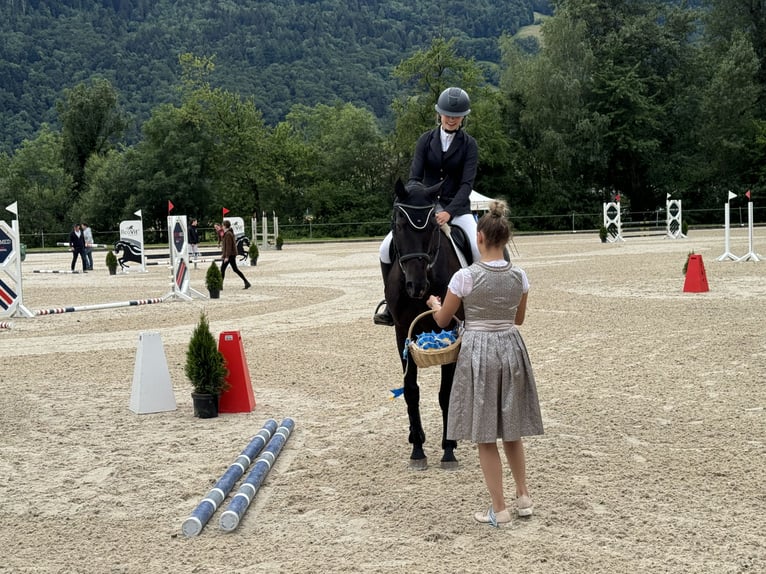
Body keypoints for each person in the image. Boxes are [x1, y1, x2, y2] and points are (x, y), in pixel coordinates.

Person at [426, 199, 544, 526]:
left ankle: (499, 508)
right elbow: (518, 319)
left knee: (485, 435)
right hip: (511, 347)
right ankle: (523, 496)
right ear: (505, 240)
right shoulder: (520, 276)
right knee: (512, 430)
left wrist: (435, 303)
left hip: (479, 350)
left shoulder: (464, 277)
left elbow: (441, 321)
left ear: (479, 238)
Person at [374, 87, 480, 326]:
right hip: (425, 208)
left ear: (463, 117)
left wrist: (449, 211)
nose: (451, 119)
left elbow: (466, 183)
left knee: (477, 247)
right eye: (447, 114)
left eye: (456, 115)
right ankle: (390, 305)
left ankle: (477, 304)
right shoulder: (425, 140)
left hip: (458, 208)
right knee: (384, 248)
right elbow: (414, 178)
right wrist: (420, 202)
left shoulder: (469, 145)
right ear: (439, 114)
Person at [220, 219, 251, 290]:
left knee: (222, 269)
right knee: (235, 269)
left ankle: (220, 286)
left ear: (225, 226)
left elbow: (228, 246)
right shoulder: (228, 233)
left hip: (230, 255)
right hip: (231, 254)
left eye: (222, 225)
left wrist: (226, 256)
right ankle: (246, 282)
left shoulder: (228, 234)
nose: (222, 227)